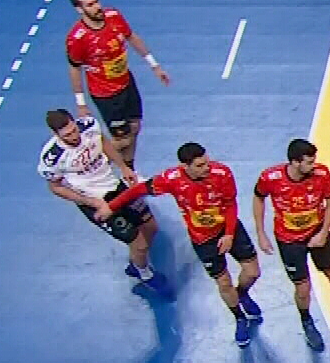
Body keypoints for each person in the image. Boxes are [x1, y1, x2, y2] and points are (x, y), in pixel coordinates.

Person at [101, 143, 264, 347]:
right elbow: (138, 190)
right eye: (200, 165)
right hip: (203, 239)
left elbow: (230, 204)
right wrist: (111, 206)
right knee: (223, 283)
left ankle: (242, 293)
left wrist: (229, 234)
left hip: (228, 229)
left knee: (253, 272)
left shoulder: (221, 173)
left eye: (207, 161)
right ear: (185, 166)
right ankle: (239, 317)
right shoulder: (172, 179)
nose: (207, 167)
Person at [38, 109, 168, 293]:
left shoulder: (89, 126)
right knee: (139, 244)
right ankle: (145, 275)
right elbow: (55, 187)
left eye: (74, 129)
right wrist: (90, 202)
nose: (74, 136)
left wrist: (123, 167)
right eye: (67, 135)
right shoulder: (52, 159)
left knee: (151, 227)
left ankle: (137, 261)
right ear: (56, 134)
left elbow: (104, 144)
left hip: (115, 187)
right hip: (94, 201)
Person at [252, 138, 330, 352]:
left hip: (317, 233)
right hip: (288, 240)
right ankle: (306, 321)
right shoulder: (271, 178)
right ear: (295, 162)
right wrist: (261, 233)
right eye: (308, 162)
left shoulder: (321, 174)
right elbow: (258, 198)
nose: (313, 166)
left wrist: (324, 232)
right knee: (302, 287)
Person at [66, 0, 171, 169]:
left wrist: (154, 65)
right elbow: (75, 69)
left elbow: (131, 37)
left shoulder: (114, 15)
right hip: (106, 95)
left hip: (126, 83)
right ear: (80, 10)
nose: (98, 7)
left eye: (97, 1)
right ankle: (89, 165)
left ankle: (129, 169)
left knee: (135, 128)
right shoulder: (78, 39)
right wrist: (81, 104)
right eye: (90, 5)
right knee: (122, 140)